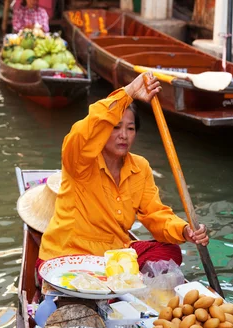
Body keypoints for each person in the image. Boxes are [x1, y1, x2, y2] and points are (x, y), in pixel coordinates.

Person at [36, 72, 209, 275]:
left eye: (130, 128)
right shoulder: (81, 160)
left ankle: (119, 287)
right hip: (70, 256)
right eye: (115, 127)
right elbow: (85, 130)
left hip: (112, 258)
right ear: (102, 131)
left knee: (170, 252)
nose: (123, 136)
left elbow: (155, 214)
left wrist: (184, 230)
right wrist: (128, 92)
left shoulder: (140, 167)